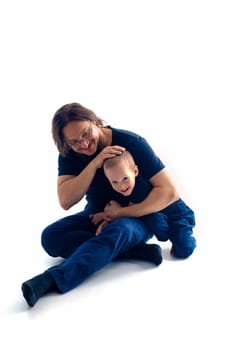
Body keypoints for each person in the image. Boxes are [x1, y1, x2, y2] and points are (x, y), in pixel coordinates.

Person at [21, 102, 170, 307]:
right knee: (51, 237)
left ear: (95, 121)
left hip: (136, 216)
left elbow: (169, 192)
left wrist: (120, 214)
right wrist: (94, 163)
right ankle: (131, 251)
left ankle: (52, 279)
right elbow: (65, 200)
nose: (83, 144)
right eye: (74, 142)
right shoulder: (71, 154)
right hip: (96, 214)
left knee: (118, 231)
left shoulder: (131, 142)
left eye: (86, 133)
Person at [93, 150, 196, 258]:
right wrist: (104, 219)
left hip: (178, 214)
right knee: (154, 221)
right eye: (115, 182)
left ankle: (184, 237)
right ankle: (171, 231)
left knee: (183, 250)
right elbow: (115, 207)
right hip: (157, 214)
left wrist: (106, 216)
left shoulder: (140, 187)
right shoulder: (120, 190)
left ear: (135, 172)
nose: (121, 186)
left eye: (125, 178)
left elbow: (123, 211)